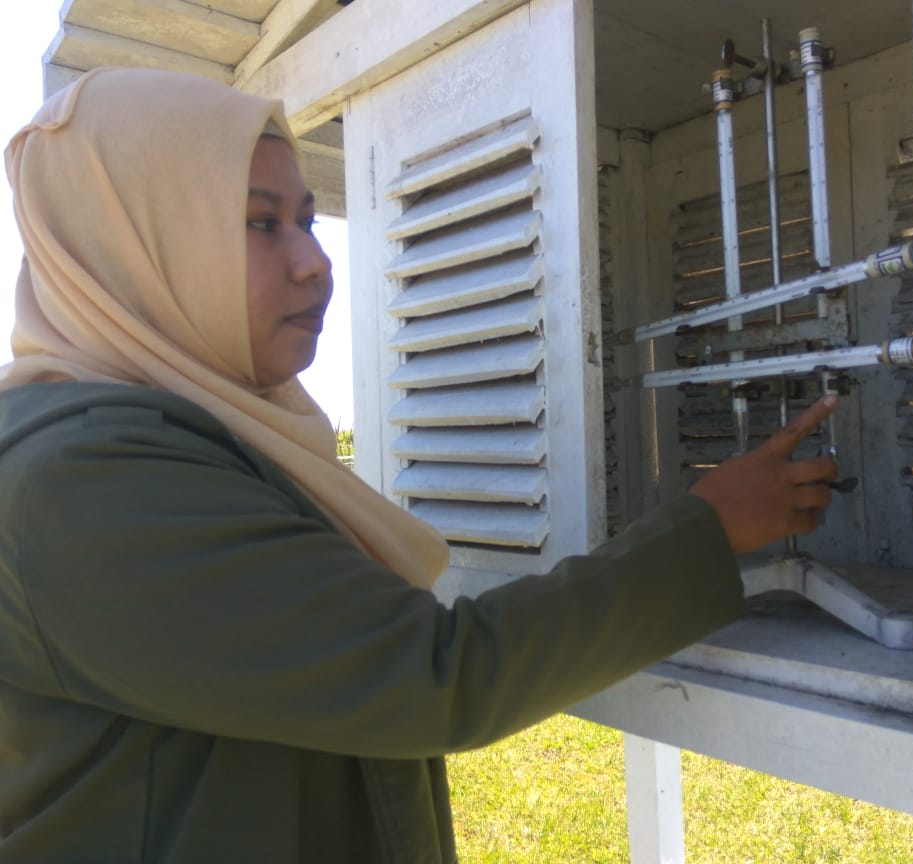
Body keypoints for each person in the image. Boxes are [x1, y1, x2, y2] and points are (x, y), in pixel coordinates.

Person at [0, 67, 837, 863]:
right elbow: (430, 675)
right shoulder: (85, 480)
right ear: (127, 250)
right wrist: (711, 528)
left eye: (307, 219)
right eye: (260, 223)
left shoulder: (179, 437)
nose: (315, 261)